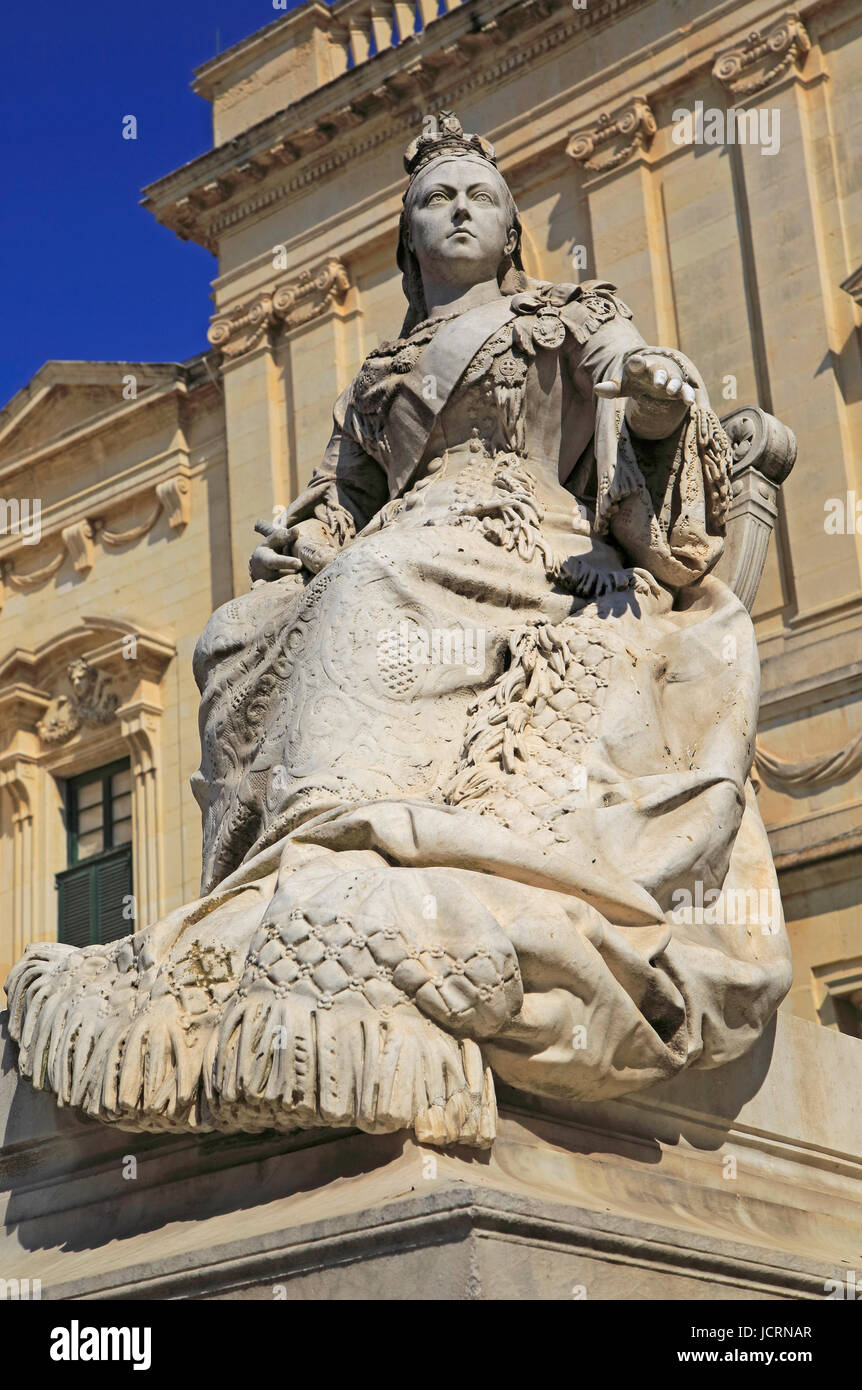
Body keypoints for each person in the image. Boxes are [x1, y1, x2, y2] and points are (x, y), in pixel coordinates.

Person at [6, 114, 791, 1149]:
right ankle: (306, 848)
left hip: (531, 548)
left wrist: (649, 406)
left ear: (513, 230)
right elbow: (346, 501)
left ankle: (353, 840)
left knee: (371, 582)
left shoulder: (563, 317)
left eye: (478, 196)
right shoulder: (380, 378)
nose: (458, 209)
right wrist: (299, 539)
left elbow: (641, 427)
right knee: (239, 633)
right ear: (409, 239)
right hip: (396, 542)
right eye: (437, 199)